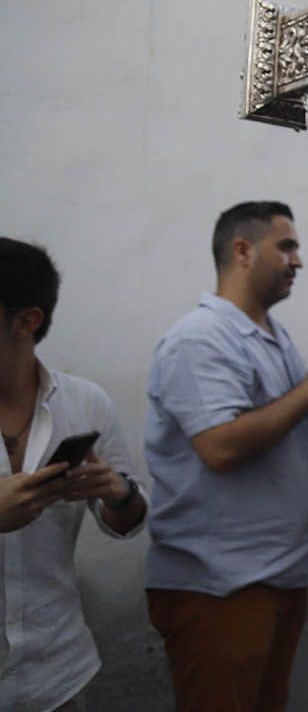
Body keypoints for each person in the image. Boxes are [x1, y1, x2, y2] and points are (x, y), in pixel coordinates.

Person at [144, 201, 308, 712]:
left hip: (275, 573)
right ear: (243, 251)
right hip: (220, 583)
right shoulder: (201, 339)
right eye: (286, 246)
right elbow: (221, 446)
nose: (297, 261)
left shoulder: (271, 335)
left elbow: (280, 429)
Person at [0, 239, 150, 712]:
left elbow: (128, 519)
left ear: (26, 322)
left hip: (57, 670)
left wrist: (119, 494)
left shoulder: (85, 403)